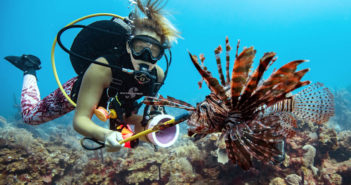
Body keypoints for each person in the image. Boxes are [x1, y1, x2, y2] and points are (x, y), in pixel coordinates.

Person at [4, 0, 180, 152]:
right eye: (139, 48)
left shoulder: (157, 76)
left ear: (161, 54)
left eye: (154, 51)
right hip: (85, 89)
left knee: (132, 135)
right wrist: (107, 135)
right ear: (128, 46)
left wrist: (154, 128)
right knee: (30, 117)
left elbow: (128, 116)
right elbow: (80, 120)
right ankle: (29, 68)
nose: (145, 58)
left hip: (113, 104)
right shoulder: (101, 67)